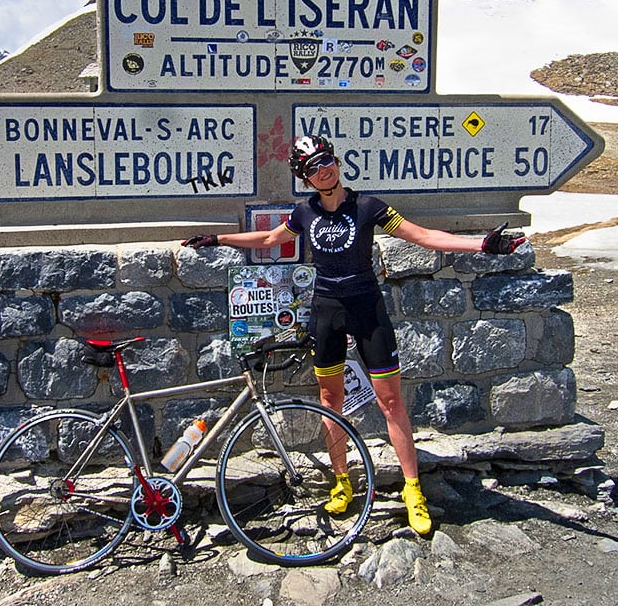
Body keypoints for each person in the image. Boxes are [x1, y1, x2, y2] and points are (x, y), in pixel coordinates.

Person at [182, 135, 526, 534]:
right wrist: (217, 239)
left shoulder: (368, 207)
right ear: (304, 178)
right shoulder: (304, 213)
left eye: (325, 160)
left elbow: (423, 236)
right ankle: (341, 480)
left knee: (391, 401)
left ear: (336, 161)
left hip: (367, 309)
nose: (322, 169)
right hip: (327, 311)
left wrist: (482, 245)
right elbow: (269, 240)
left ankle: (413, 490)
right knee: (331, 400)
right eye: (311, 167)